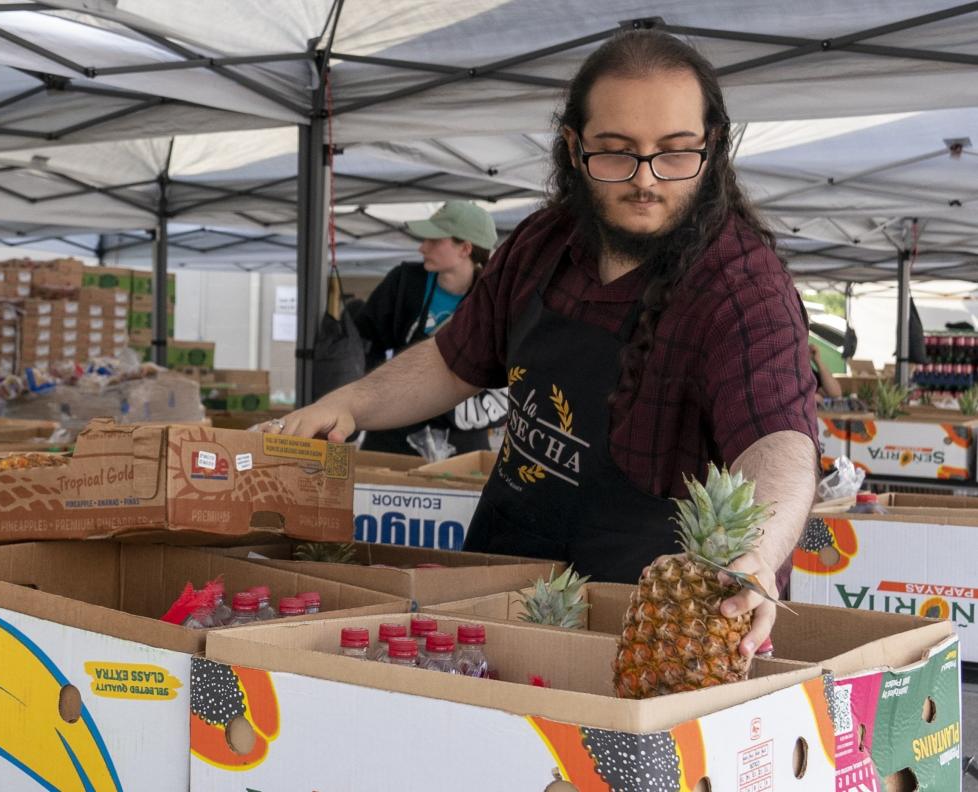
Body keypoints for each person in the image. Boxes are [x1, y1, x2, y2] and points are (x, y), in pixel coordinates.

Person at [261, 30, 819, 660]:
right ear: (573, 147)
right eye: (615, 153)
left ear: (712, 146)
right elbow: (455, 358)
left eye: (674, 152)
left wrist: (761, 553)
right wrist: (353, 403)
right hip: (500, 593)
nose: (646, 180)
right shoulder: (544, 242)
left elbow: (780, 440)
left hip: (649, 633)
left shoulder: (741, 286)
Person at [353, 201, 508, 456]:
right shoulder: (404, 283)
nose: (422, 247)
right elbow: (365, 343)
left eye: (435, 241)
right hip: (394, 428)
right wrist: (369, 399)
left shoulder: (494, 299)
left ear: (465, 249)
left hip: (462, 438)